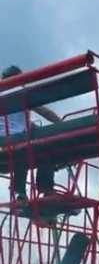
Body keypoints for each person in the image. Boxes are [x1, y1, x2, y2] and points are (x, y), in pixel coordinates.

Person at [0, 65, 60, 201]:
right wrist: (62, 124)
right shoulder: (22, 94)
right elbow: (45, 112)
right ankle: (46, 188)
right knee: (46, 150)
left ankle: (19, 193)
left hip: (4, 146)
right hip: (18, 143)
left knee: (23, 153)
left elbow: (15, 123)